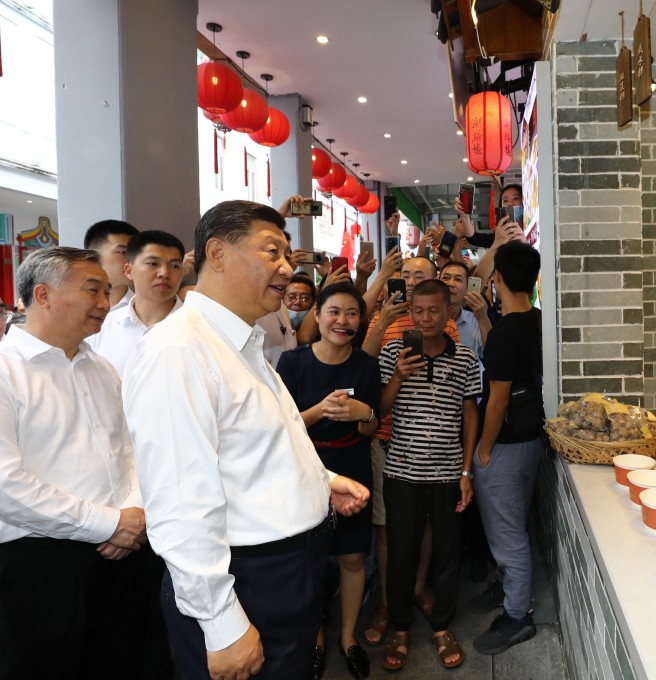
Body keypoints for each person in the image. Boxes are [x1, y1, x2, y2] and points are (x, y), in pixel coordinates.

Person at [122, 200, 370, 680]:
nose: (287, 266)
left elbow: (261, 445)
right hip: (245, 579)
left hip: (289, 567)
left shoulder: (242, 342)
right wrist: (221, 622)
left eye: (288, 253)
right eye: (272, 251)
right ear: (217, 253)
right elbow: (179, 499)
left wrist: (323, 481)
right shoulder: (179, 351)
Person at [0, 247, 150, 679]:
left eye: (107, 291)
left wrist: (134, 514)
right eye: (92, 291)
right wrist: (108, 524)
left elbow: (132, 448)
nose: (105, 303)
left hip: (124, 551)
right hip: (40, 564)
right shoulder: (8, 372)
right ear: (42, 295)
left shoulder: (100, 367)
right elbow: (8, 486)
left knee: (125, 663)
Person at [276, 282, 379, 680]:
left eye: (352, 313)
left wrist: (363, 410)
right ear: (316, 316)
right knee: (311, 560)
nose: (343, 320)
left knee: (352, 557)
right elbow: (282, 429)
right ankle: (316, 637)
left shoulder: (366, 366)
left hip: (352, 464)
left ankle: (348, 637)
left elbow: (372, 429)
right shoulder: (292, 363)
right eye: (334, 311)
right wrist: (320, 410)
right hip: (306, 468)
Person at [359, 255, 463, 647]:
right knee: (392, 533)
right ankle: (390, 605)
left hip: (441, 457)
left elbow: (461, 399)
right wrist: (382, 320)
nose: (423, 318)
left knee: (431, 532)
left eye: (420, 275)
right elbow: (365, 370)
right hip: (392, 444)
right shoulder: (384, 323)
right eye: (406, 275)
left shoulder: (450, 334)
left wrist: (465, 467)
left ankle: (420, 594)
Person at [378, 279, 481, 672]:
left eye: (433, 311)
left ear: (447, 311)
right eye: (417, 311)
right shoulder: (393, 353)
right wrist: (399, 376)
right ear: (410, 312)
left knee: (447, 554)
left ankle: (441, 627)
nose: (425, 318)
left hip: (447, 473)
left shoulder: (466, 359)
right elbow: (381, 410)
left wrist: (466, 470)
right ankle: (400, 628)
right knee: (401, 554)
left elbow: (469, 414)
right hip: (401, 471)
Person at [469, 241, 544, 655]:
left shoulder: (504, 334)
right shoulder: (537, 321)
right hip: (531, 438)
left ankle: (518, 616)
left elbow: (496, 402)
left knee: (507, 531)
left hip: (506, 445)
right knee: (514, 523)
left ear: (496, 279)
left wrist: (483, 449)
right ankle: (507, 588)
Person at [89, 230, 186, 377]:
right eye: (153, 263)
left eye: (174, 266)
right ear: (129, 270)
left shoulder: (198, 327)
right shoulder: (102, 328)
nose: (164, 273)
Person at [84, 219, 140, 310]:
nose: (133, 260)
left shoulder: (143, 312)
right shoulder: (72, 307)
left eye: (136, 253)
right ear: (93, 256)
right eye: (122, 252)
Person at [439, 260, 490, 360]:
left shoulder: (475, 319)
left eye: (458, 279)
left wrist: (483, 318)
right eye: (445, 278)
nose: (450, 284)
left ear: (467, 288)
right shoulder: (426, 318)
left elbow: (493, 354)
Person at [456, 183, 524, 248]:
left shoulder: (533, 227)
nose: (510, 203)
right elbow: (474, 238)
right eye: (505, 201)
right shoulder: (501, 236)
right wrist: (465, 215)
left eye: (516, 198)